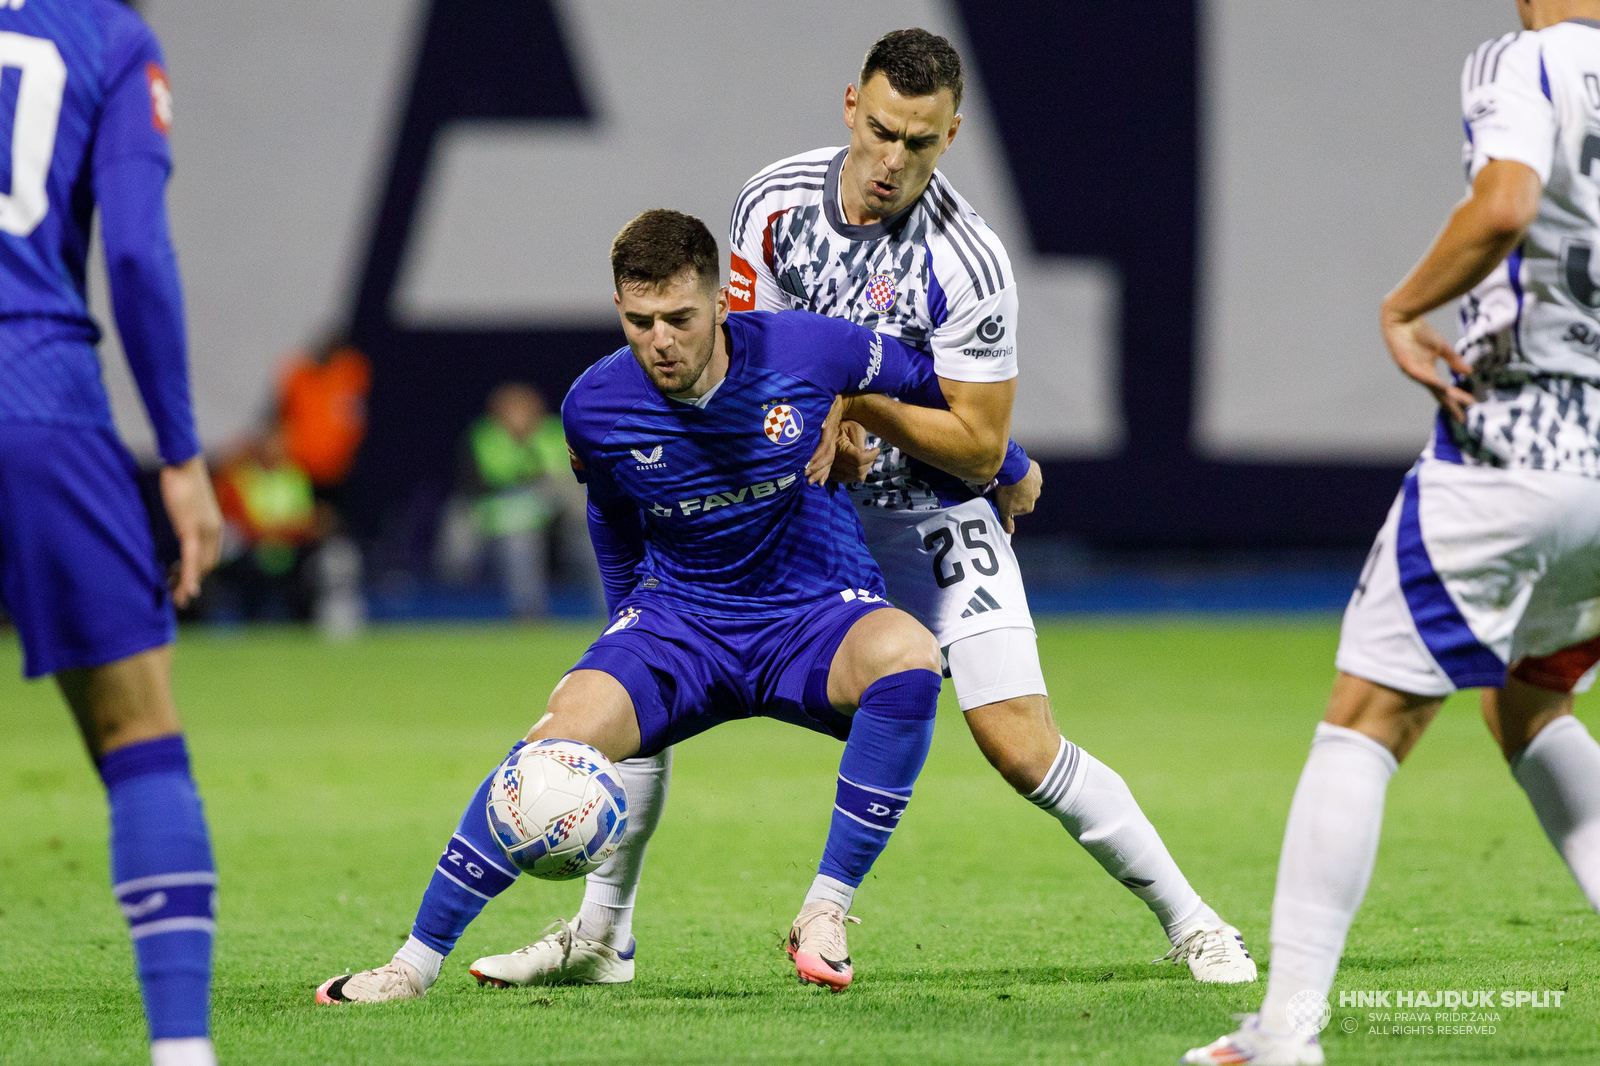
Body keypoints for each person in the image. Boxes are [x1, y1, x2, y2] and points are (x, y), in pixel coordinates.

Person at [471, 28, 1255, 990]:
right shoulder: (772, 204)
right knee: (652, 677)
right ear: (852, 106)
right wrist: (818, 409)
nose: (891, 162)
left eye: (919, 144)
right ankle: (601, 937)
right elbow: (747, 350)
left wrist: (849, 399)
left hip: (928, 515)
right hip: (802, 513)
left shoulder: (969, 262)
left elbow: (972, 438)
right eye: (881, 131)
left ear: (952, 135)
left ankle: (1196, 923)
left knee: (1018, 741)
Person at [315, 208, 988, 1002]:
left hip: (811, 612)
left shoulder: (810, 349)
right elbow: (611, 512)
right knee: (549, 746)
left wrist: (986, 455)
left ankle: (825, 910)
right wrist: (625, 627)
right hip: (682, 625)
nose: (660, 340)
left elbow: (938, 388)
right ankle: (412, 965)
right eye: (640, 322)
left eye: (679, 318)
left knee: (910, 659)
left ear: (721, 304)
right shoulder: (593, 406)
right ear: (619, 312)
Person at [1184, 3, 1600, 1063]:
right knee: (1531, 698)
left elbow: (1505, 205)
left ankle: (1284, 1032)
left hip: (1513, 445)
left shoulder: (1530, 60)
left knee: (1363, 719)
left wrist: (1402, 307)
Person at [0, 4, 223, 1065]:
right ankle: (181, 1052)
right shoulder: (106, 35)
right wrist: (179, 457)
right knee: (139, 735)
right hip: (35, 395)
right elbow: (133, 255)